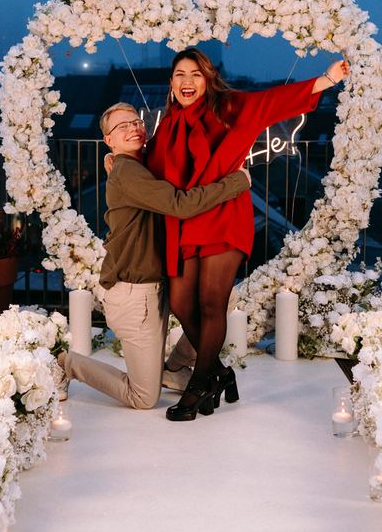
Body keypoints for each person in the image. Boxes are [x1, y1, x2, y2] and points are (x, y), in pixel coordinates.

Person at [146, 48, 351, 421]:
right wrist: (119, 158)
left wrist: (327, 79)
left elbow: (274, 101)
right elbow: (152, 170)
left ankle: (198, 387)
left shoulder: (230, 107)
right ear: (171, 83)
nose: (186, 82)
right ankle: (219, 374)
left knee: (211, 302)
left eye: (195, 74)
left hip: (225, 214)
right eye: (179, 75)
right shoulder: (168, 126)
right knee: (179, 303)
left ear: (208, 79)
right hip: (186, 220)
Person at [56, 102, 250, 410]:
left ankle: (174, 369)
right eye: (122, 126)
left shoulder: (142, 162)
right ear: (109, 140)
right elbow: (180, 204)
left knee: (224, 298)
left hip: (159, 282)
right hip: (136, 295)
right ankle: (67, 364)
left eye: (136, 122)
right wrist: (236, 183)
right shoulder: (128, 170)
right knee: (144, 398)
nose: (133, 128)